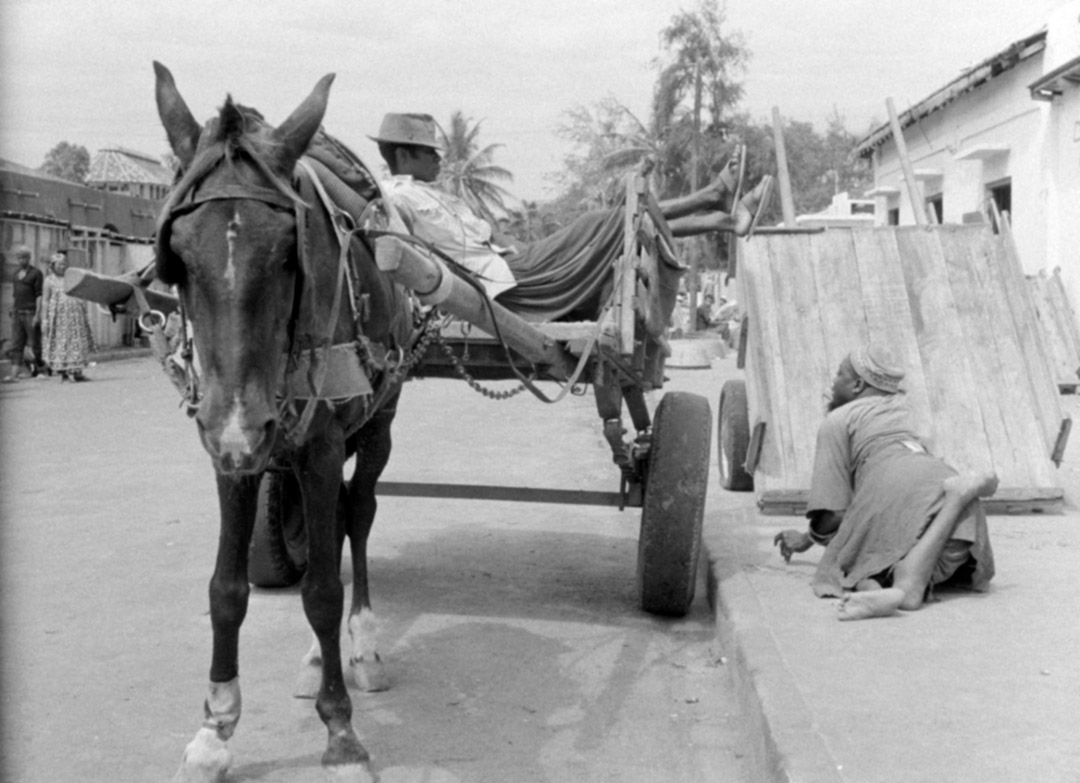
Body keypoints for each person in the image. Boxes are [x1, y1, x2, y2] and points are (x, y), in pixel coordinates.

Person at [369, 113, 772, 317]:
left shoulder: (428, 193)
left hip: (514, 261)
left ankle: (722, 213)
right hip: (501, 280)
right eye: (429, 152)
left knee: (615, 223)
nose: (439, 159)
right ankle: (716, 202)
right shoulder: (394, 199)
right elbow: (403, 254)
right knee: (605, 222)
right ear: (403, 155)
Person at [773, 344, 997, 621]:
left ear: (856, 385)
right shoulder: (904, 412)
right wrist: (806, 540)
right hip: (957, 523)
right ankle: (957, 500)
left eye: (839, 373)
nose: (833, 381)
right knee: (881, 559)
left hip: (893, 493)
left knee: (849, 559)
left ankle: (900, 588)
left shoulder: (838, 419)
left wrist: (814, 537)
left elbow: (835, 513)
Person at [41, 250, 95, 381]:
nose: (62, 266)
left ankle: (77, 372)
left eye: (64, 264)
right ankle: (65, 373)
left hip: (75, 317)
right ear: (53, 265)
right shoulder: (49, 281)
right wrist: (44, 319)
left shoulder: (71, 277)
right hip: (59, 318)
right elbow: (45, 300)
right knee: (63, 344)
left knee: (76, 343)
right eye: (59, 264)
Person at [4, 245, 44, 382]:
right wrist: (12, 308)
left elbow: (39, 296)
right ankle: (14, 374)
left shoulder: (36, 273)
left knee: (34, 342)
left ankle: (39, 371)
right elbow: (16, 294)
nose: (22, 260)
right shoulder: (16, 274)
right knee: (17, 343)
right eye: (19, 258)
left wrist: (38, 315)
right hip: (17, 312)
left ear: (29, 258)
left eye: (24, 257)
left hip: (30, 312)